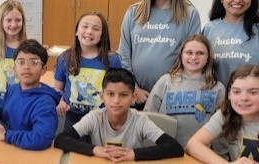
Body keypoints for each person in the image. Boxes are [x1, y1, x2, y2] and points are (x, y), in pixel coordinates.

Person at [118, 0, 201, 110]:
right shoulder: (134, 12)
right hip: (136, 95)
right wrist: (133, 88)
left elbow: (193, 58)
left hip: (171, 96)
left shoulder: (189, 14)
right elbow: (123, 55)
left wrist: (171, 89)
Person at [54, 68, 183, 162]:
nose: (116, 101)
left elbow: (175, 147)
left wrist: (134, 154)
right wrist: (96, 150)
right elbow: (61, 139)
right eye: (110, 94)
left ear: (133, 98)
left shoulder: (140, 120)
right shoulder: (95, 117)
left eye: (124, 95)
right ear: (102, 96)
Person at [0, 39, 61, 150]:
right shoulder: (13, 89)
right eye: (21, 62)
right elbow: (3, 114)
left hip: (29, 155)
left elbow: (41, 138)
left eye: (34, 62)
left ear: (43, 69)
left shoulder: (45, 102)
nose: (26, 67)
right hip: (8, 149)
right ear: (14, 69)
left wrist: (6, 135)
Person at [144, 34, 225, 147]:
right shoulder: (166, 81)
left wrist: (220, 157)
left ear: (208, 58)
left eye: (200, 53)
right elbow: (148, 118)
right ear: (181, 55)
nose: (194, 57)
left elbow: (222, 129)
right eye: (189, 52)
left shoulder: (217, 88)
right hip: (166, 152)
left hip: (202, 155)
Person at [55, 12, 122, 130]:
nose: (89, 31)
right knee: (72, 147)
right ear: (77, 31)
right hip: (72, 118)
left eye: (96, 29)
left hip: (101, 119)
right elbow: (58, 89)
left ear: (102, 35)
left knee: (97, 148)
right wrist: (60, 101)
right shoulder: (65, 58)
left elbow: (117, 91)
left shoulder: (112, 60)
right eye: (85, 26)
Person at [0, 0, 27, 109]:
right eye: (8, 20)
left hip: (22, 103)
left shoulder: (28, 47)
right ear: (1, 22)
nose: (13, 25)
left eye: (18, 20)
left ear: (23, 21)